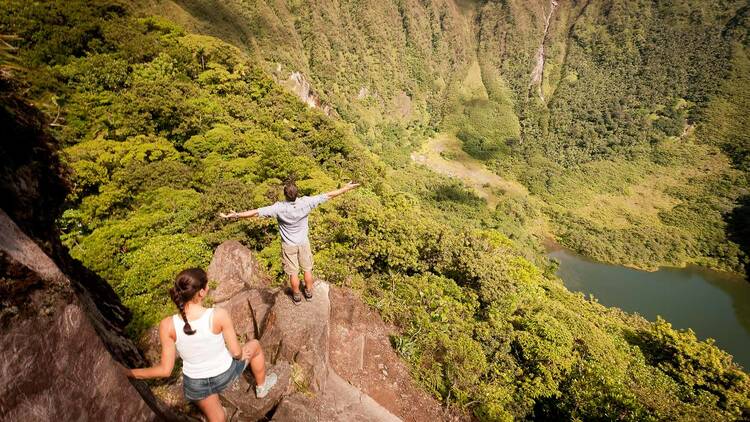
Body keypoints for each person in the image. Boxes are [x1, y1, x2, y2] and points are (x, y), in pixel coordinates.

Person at [124, 268, 277, 422]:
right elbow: (236, 352)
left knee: (217, 418)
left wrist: (129, 373)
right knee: (255, 345)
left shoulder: (167, 325)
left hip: (196, 385)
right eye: (207, 285)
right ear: (202, 292)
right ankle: (262, 387)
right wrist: (241, 355)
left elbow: (165, 370)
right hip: (224, 375)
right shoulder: (218, 314)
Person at [220, 181, 359, 304]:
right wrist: (346, 188)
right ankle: (309, 293)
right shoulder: (306, 202)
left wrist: (235, 215)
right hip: (303, 243)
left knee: (293, 273)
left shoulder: (279, 207)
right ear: (297, 193)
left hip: (289, 245)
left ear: (285, 195)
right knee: (307, 269)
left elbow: (256, 212)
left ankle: (297, 295)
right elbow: (328, 195)